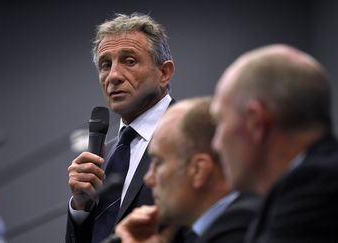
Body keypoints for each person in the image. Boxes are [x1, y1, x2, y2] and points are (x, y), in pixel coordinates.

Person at [210, 44, 338, 243]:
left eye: (220, 123)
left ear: (256, 122)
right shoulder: (303, 187)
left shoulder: (319, 190)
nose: (216, 144)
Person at [66, 13, 175, 243]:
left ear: (164, 73)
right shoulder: (107, 155)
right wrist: (80, 208)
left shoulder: (192, 137)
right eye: (105, 65)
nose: (113, 76)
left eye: (129, 61)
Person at [113, 97, 260, 243]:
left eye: (157, 163)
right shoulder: (214, 230)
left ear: (198, 170)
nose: (148, 179)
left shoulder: (244, 233)